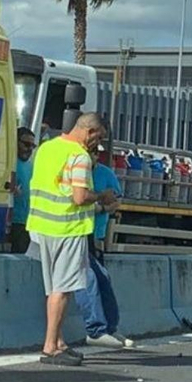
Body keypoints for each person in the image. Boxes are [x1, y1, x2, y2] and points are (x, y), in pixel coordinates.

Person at [26, 112, 115, 366]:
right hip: (67, 227)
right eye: (99, 139)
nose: (98, 145)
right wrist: (101, 196)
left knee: (53, 289)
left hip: (42, 226)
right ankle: (50, 346)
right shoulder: (79, 157)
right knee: (63, 290)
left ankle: (59, 341)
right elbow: (79, 197)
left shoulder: (46, 148)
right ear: (90, 132)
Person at [74, 145, 131, 348]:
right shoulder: (74, 169)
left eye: (96, 152)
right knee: (87, 278)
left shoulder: (103, 174)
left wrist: (103, 207)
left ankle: (110, 328)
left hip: (91, 232)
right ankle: (96, 329)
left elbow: (115, 200)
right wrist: (99, 202)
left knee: (102, 277)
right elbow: (79, 198)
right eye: (91, 151)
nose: (94, 156)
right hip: (71, 231)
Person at [8, 128, 36, 254]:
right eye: (26, 144)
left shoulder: (31, 166)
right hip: (12, 222)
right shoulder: (10, 164)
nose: (30, 149)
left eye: (32, 145)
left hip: (28, 223)